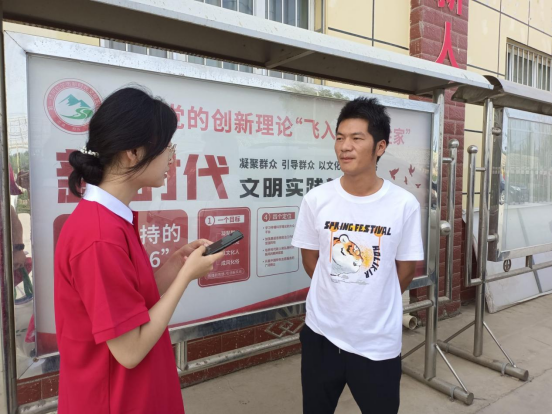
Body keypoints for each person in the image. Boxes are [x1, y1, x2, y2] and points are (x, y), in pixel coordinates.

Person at [54, 87, 224, 414]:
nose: (172, 156)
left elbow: (130, 307)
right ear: (133, 152)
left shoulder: (109, 220)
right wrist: (185, 279)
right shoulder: (99, 236)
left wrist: (176, 265)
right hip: (115, 402)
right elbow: (129, 350)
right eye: (167, 145)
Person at [292, 97, 424, 414]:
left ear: (380, 147)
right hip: (321, 336)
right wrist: (342, 287)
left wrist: (372, 295)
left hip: (376, 343)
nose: (344, 147)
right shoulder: (316, 199)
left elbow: (405, 270)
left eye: (356, 138)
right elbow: (311, 260)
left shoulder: (403, 204)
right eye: (340, 138)